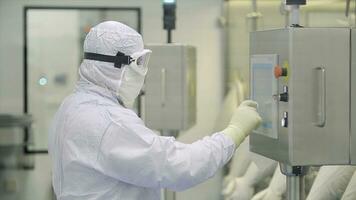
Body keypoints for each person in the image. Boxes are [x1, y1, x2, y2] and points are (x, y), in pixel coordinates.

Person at [48, 21, 262, 200]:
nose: (143, 75)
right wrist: (234, 132)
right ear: (115, 64)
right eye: (139, 62)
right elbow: (180, 167)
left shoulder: (72, 106)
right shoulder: (109, 122)